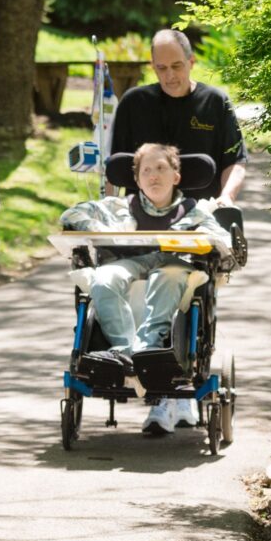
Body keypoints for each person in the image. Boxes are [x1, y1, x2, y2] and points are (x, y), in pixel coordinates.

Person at [61, 144, 229, 437]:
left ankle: (147, 351)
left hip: (173, 263)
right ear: (136, 179)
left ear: (176, 176)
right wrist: (102, 232)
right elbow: (71, 215)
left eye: (161, 168)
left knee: (168, 277)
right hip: (129, 261)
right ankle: (125, 354)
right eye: (146, 171)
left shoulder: (194, 210)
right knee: (104, 278)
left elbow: (222, 240)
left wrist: (201, 235)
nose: (153, 176)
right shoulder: (119, 207)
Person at [109, 29, 247, 204]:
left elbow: (235, 161)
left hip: (202, 213)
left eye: (176, 66)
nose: (170, 75)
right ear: (153, 66)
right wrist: (109, 206)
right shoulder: (133, 102)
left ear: (191, 62)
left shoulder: (216, 102)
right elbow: (115, 167)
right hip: (142, 217)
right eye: (162, 68)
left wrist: (227, 196)